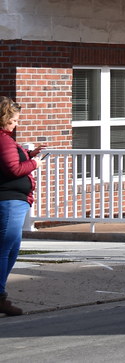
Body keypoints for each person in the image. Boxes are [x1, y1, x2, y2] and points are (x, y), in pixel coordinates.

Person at [0, 98, 42, 317]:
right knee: (5, 249)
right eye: (14, 120)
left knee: (12, 249)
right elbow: (13, 169)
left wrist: (31, 154)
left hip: (14, 201)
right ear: (4, 118)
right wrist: (35, 164)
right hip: (9, 202)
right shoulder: (4, 140)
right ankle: (0, 297)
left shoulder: (6, 140)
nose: (16, 124)